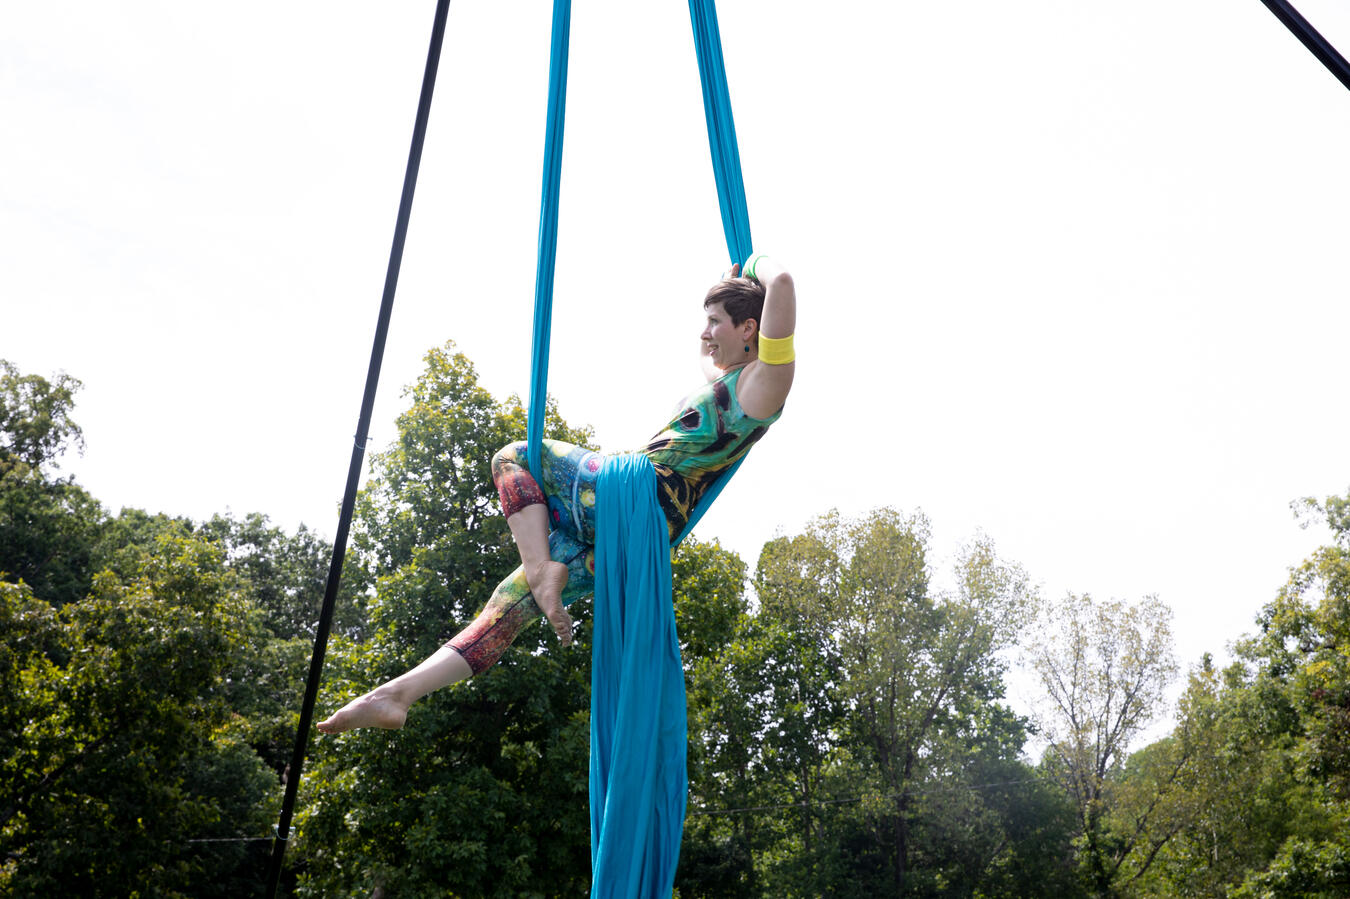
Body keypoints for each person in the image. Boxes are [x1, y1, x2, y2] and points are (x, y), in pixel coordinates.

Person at [317, 256, 796, 734]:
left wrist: (757, 267)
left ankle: (542, 567)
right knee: (509, 605)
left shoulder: (764, 386)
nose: (703, 332)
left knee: (514, 457)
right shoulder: (730, 381)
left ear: (750, 327)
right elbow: (716, 350)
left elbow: (784, 281)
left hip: (634, 496)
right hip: (636, 539)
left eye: (714, 322)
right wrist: (733, 286)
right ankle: (396, 695)